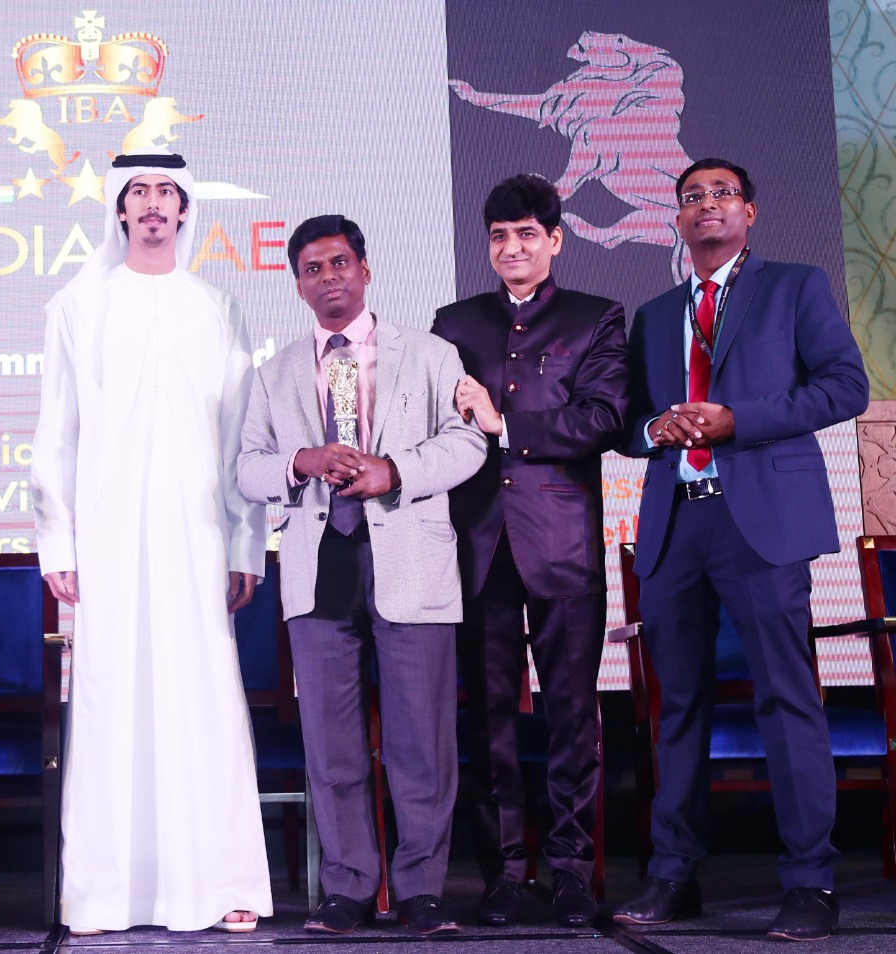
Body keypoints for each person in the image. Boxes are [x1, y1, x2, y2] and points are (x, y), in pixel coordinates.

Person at [613, 159, 869, 941]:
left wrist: (739, 420)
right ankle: (673, 874)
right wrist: (654, 428)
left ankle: (810, 883)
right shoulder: (657, 314)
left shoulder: (796, 287)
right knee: (678, 704)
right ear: (678, 219)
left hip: (761, 520)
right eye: (691, 197)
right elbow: (626, 420)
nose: (706, 206)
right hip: (675, 523)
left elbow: (845, 386)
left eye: (721, 194)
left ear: (749, 212)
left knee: (786, 697)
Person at [30, 152, 272, 934]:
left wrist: (244, 545)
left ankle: (220, 883)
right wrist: (57, 541)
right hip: (107, 533)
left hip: (198, 534)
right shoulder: (78, 304)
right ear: (120, 208)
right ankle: (106, 895)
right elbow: (57, 430)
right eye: (139, 191)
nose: (154, 204)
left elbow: (239, 436)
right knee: (113, 698)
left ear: (185, 208)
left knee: (204, 695)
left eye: (168, 191)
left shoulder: (217, 305)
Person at [237, 215, 486, 936]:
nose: (329, 278)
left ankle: (421, 892)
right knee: (331, 742)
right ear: (297, 285)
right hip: (319, 565)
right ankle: (347, 888)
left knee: (421, 741)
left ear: (366, 269)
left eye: (340, 263)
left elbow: (470, 442)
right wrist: (300, 462)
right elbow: (248, 469)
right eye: (312, 269)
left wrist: (394, 470)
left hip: (411, 558)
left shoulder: (432, 354)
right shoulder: (274, 372)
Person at [431, 174, 628, 928]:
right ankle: (505, 874)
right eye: (499, 237)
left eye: (526, 235)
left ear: (555, 240)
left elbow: (604, 418)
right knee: (489, 719)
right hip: (477, 542)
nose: (512, 248)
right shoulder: (454, 323)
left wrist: (503, 425)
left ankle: (573, 871)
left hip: (562, 544)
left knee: (572, 713)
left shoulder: (595, 317)